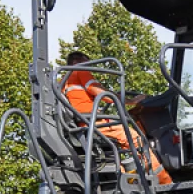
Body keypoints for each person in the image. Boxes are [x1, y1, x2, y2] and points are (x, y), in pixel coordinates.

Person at [62, 51, 173, 185]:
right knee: (138, 140)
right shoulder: (80, 71)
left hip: (84, 124)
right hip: (94, 122)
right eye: (86, 62)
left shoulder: (64, 81)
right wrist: (132, 101)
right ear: (76, 62)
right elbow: (104, 95)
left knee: (119, 149)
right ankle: (164, 182)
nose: (89, 66)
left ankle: (127, 179)